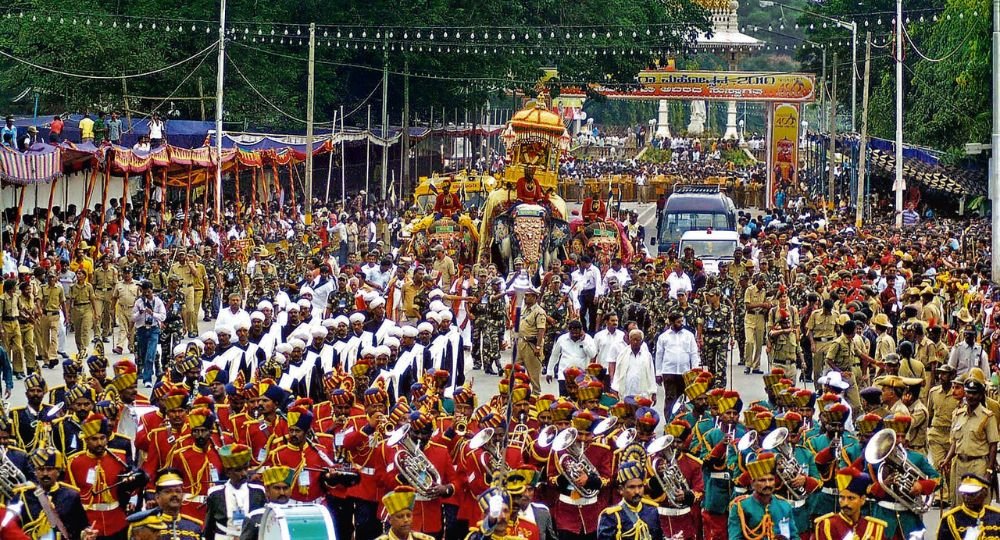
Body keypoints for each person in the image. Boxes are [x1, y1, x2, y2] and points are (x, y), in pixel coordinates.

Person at [942, 368, 1000, 505]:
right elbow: (955, 442)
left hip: (978, 465)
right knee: (958, 505)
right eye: (968, 393)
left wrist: (989, 470)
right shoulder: (957, 415)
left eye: (974, 394)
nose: (971, 396)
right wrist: (947, 459)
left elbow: (993, 445)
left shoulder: (987, 417)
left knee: (978, 505)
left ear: (980, 396)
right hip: (960, 465)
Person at [17, 447, 90, 540]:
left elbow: (81, 526)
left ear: (58, 471)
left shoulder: (71, 495)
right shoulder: (24, 496)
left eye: (50, 469)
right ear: (35, 472)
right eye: (40, 469)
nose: (45, 473)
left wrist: (86, 534)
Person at [727, 453, 796, 540]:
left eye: (771, 480)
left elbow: (794, 536)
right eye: (762, 480)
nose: (767, 484)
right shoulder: (740, 507)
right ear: (752, 484)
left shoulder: (785, 505)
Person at [813, 466, 887, 540]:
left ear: (862, 500)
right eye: (842, 497)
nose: (845, 503)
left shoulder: (875, 528)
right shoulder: (827, 525)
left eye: (851, 498)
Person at [595, 461, 662, 540]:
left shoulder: (653, 512)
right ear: (621, 489)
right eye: (632, 487)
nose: (637, 491)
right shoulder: (611, 516)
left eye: (640, 486)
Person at [655, 313, 700, 418]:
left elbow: (694, 354)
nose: (681, 324)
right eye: (678, 322)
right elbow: (659, 355)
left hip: (685, 373)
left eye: (682, 321)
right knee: (670, 398)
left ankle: (682, 422)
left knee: (683, 399)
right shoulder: (663, 337)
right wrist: (658, 372)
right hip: (668, 372)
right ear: (671, 323)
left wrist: (695, 371)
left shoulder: (689, 335)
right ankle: (669, 422)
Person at [937, 474, 1000, 540]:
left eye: (972, 494)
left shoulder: (996, 516)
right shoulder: (951, 519)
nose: (966, 498)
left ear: (985, 493)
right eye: (964, 493)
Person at [240, 467, 293, 540]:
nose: (282, 492)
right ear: (267, 490)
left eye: (285, 488)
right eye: (277, 488)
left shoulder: (299, 514)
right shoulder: (254, 517)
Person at [132, 281, 166, 387]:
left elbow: (163, 317)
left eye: (149, 291)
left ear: (152, 290)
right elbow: (132, 318)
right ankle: (148, 370)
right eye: (144, 292)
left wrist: (153, 314)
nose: (147, 294)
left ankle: (147, 379)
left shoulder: (158, 302)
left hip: (153, 329)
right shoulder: (139, 302)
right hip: (142, 329)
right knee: (143, 353)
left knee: (150, 355)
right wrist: (140, 313)